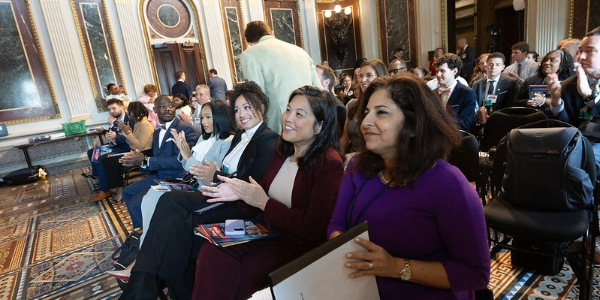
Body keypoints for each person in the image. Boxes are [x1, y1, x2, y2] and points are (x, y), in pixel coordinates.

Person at [328, 75, 490, 299]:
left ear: (413, 125)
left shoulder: (447, 183)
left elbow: (475, 274)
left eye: (381, 112)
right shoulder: (358, 166)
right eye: (366, 112)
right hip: (361, 288)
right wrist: (340, 245)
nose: (365, 123)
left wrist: (394, 266)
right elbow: (337, 224)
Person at [118, 82, 279, 299]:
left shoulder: (267, 138)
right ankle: (150, 289)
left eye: (247, 107)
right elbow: (221, 170)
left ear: (261, 107)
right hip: (218, 192)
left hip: (240, 206)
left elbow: (253, 181)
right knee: (169, 214)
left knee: (171, 211)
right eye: (238, 109)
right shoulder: (241, 137)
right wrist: (213, 173)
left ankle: (142, 289)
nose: (241, 114)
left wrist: (216, 175)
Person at [193, 85, 345, 300]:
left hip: (296, 243)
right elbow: (264, 190)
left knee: (245, 271)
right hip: (265, 229)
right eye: (288, 110)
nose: (288, 118)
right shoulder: (282, 148)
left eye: (299, 114)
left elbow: (315, 228)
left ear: (320, 125)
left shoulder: (328, 163)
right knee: (211, 251)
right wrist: (241, 193)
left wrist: (263, 203)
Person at [106, 101, 235, 280]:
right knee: (151, 196)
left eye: (208, 117)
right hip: (188, 181)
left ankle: (141, 261)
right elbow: (186, 163)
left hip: (199, 188)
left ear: (220, 118)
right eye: (202, 117)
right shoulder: (203, 138)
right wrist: (185, 155)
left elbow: (202, 173)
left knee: (155, 200)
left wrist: (186, 155)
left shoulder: (226, 142)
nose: (203, 122)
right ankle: (143, 252)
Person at [118, 95, 197, 229]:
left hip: (177, 177)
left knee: (136, 204)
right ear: (154, 110)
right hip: (159, 176)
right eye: (162, 106)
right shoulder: (157, 132)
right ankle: (144, 230)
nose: (167, 109)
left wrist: (145, 160)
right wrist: (138, 162)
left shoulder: (185, 129)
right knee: (127, 192)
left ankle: (149, 236)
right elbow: (152, 159)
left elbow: (180, 161)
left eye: (171, 106)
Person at [240, 20, 322, 134]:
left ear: (251, 43)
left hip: (281, 123)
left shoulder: (250, 54)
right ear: (271, 33)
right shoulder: (300, 51)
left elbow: (257, 97)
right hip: (310, 119)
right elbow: (319, 90)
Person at [548, 26, 600, 169]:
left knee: (574, 162)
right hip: (575, 143)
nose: (581, 57)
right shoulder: (569, 84)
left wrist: (590, 97)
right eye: (580, 51)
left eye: (589, 51)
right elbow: (564, 127)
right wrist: (556, 101)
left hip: (595, 146)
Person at [98, 101, 154, 202]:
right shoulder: (138, 124)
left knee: (111, 162)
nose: (128, 114)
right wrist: (126, 133)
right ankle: (117, 187)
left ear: (135, 112)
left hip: (144, 154)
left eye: (129, 112)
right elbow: (132, 144)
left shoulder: (145, 124)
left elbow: (140, 145)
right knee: (107, 160)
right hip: (136, 151)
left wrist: (128, 133)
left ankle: (120, 189)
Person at [341, 60, 387, 157]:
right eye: (361, 76)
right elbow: (345, 137)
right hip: (351, 159)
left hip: (375, 160)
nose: (363, 80)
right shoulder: (352, 104)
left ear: (380, 77)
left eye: (369, 75)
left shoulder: (386, 107)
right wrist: (338, 158)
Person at [84, 99, 134, 184]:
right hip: (115, 146)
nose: (111, 111)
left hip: (126, 148)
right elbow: (113, 133)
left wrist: (115, 135)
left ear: (122, 107)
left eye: (114, 108)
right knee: (92, 152)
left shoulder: (129, 120)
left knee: (101, 158)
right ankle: (99, 176)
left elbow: (131, 138)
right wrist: (105, 132)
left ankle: (105, 186)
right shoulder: (115, 120)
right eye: (109, 109)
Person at [434, 53, 477, 133]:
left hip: (457, 137)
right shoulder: (434, 92)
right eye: (437, 71)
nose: (438, 75)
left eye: (442, 71)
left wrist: (439, 123)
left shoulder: (467, 93)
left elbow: (465, 124)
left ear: (454, 71)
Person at [472, 52, 520, 117]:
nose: (493, 67)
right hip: (480, 120)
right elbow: (474, 104)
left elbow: (511, 105)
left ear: (503, 67)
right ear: (486, 66)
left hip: (502, 119)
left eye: (497, 65)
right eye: (491, 64)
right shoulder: (477, 84)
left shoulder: (511, 83)